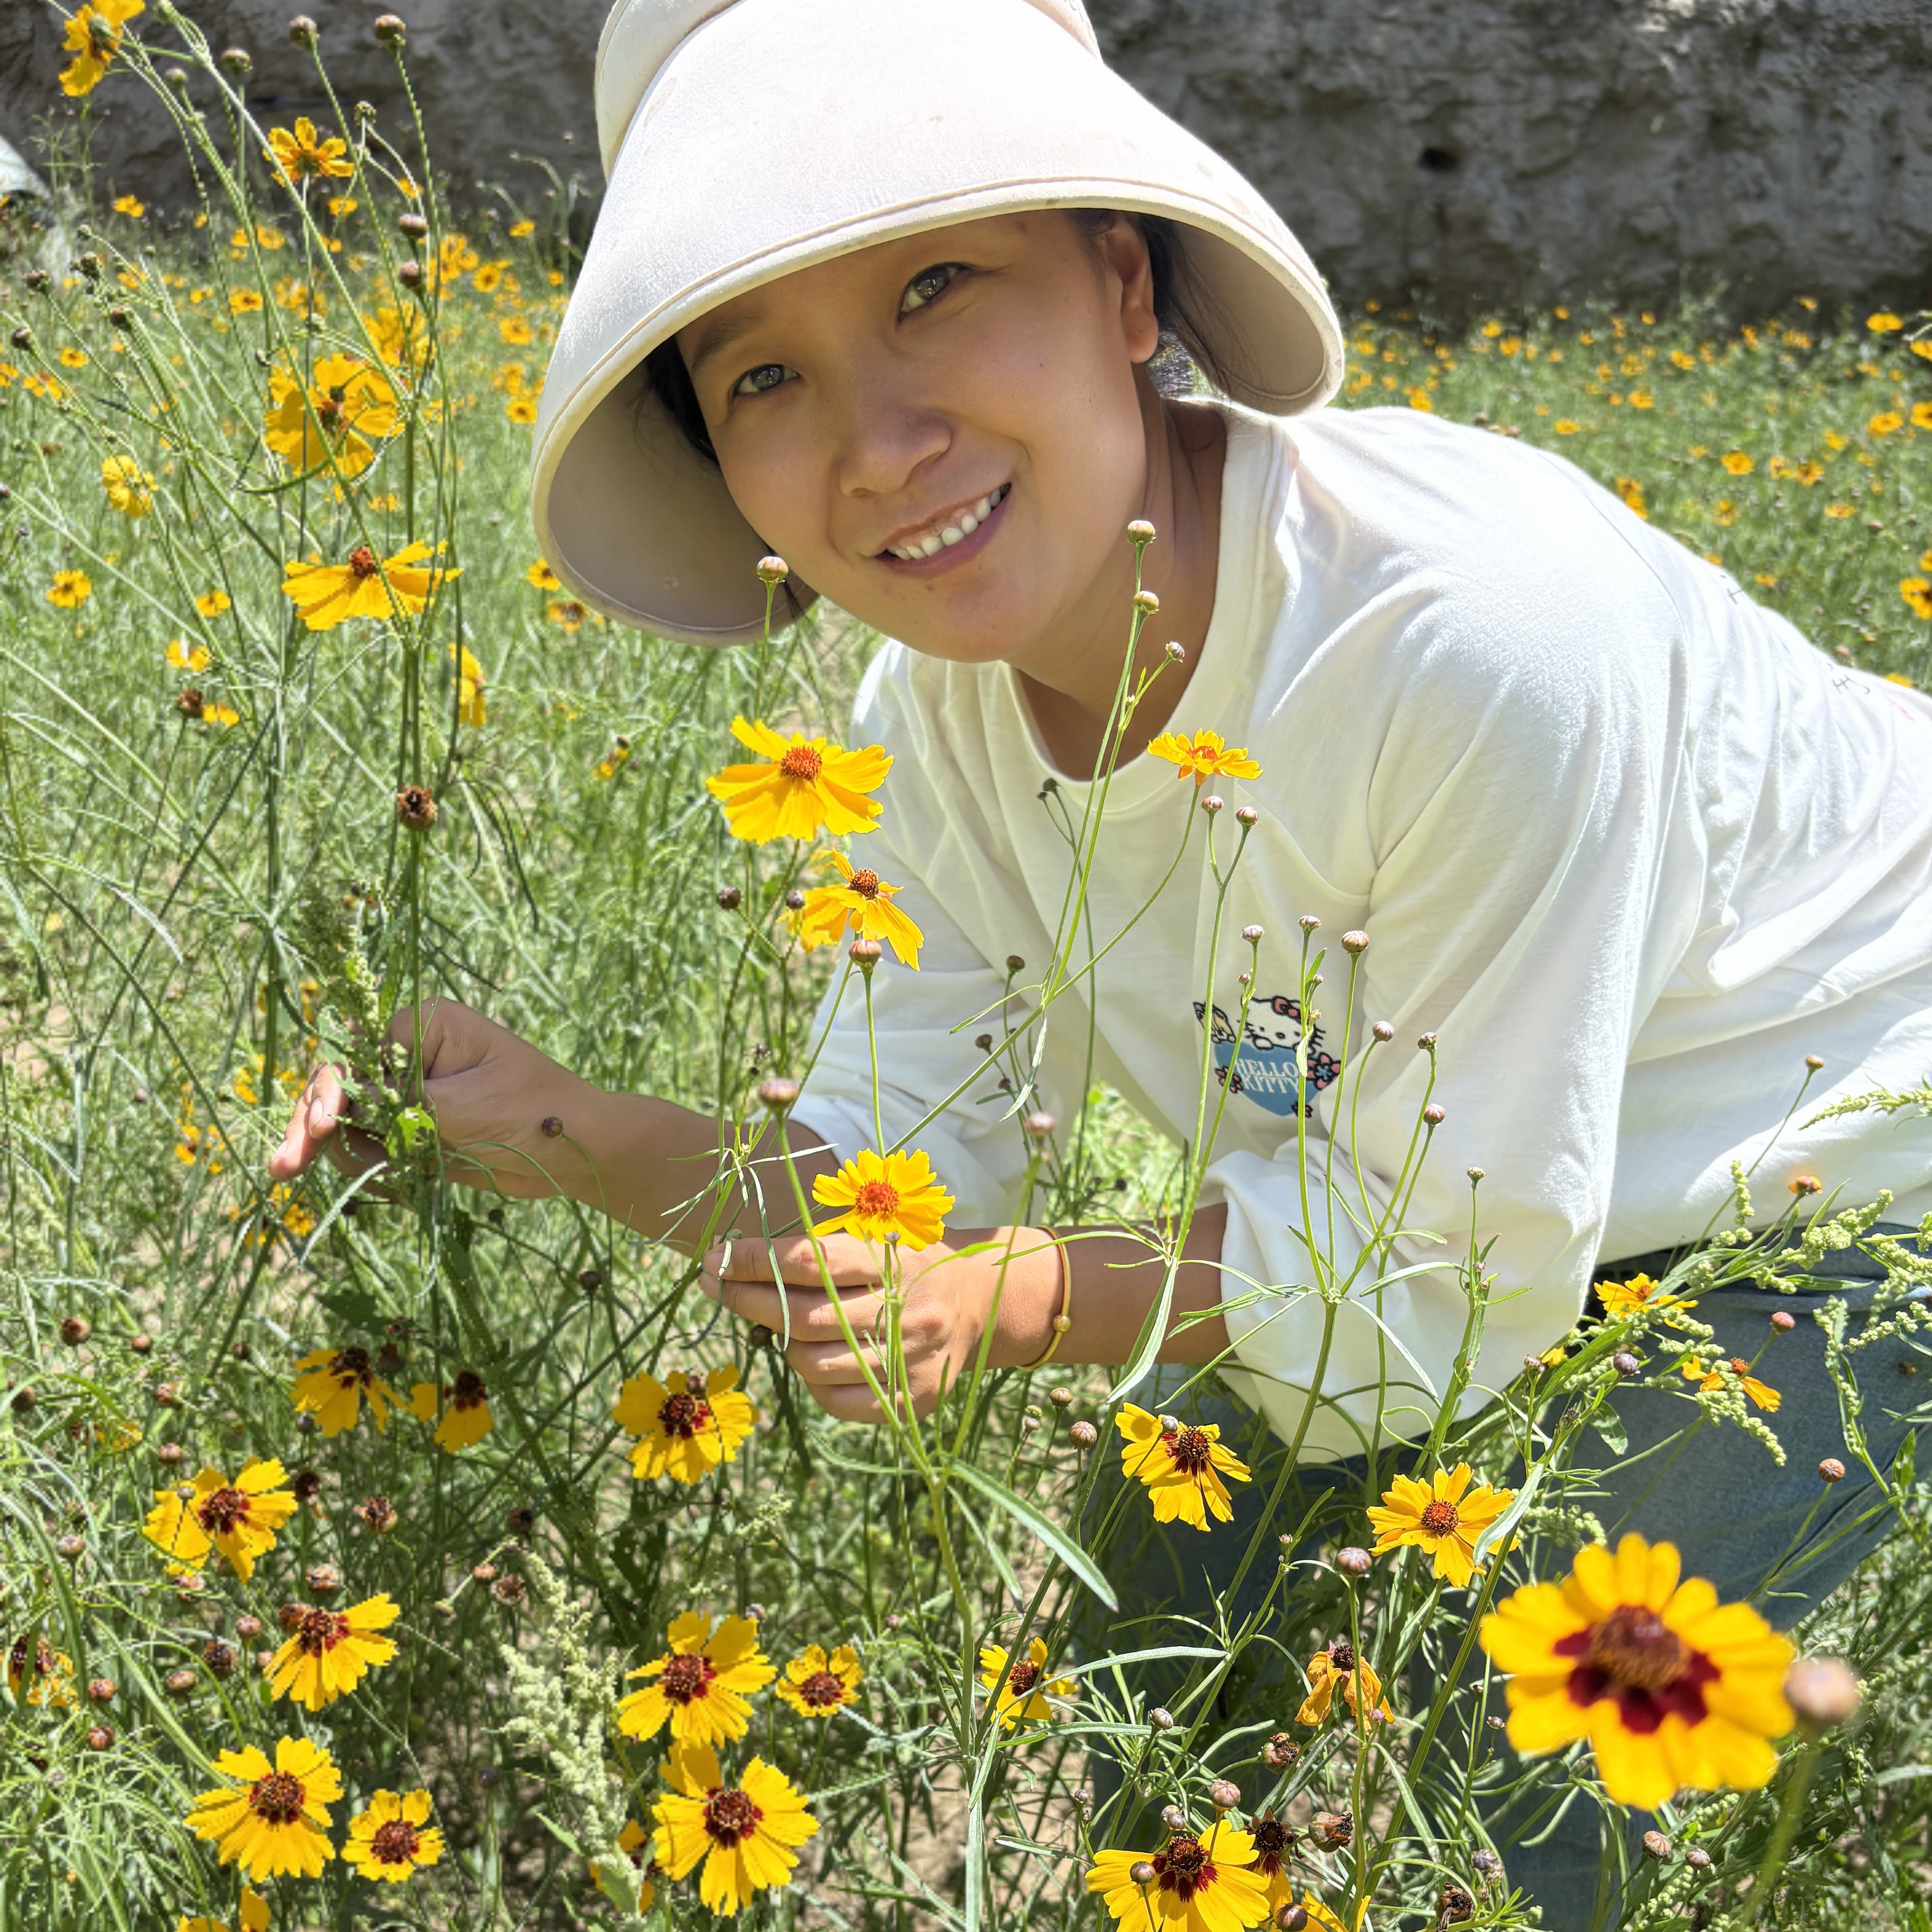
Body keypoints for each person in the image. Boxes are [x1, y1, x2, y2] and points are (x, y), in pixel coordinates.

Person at [271, 0, 1932, 1922]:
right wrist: (540, 1122)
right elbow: (889, 1191)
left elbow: (1453, 1287)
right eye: (761, 382)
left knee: (1515, 1764)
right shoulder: (936, 727)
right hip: (1466, 1199)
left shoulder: (1473, 643)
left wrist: (1028, 1292)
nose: (878, 448)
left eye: (938, 284)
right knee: (1150, 1634)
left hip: (1847, 1167)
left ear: (1128, 287)